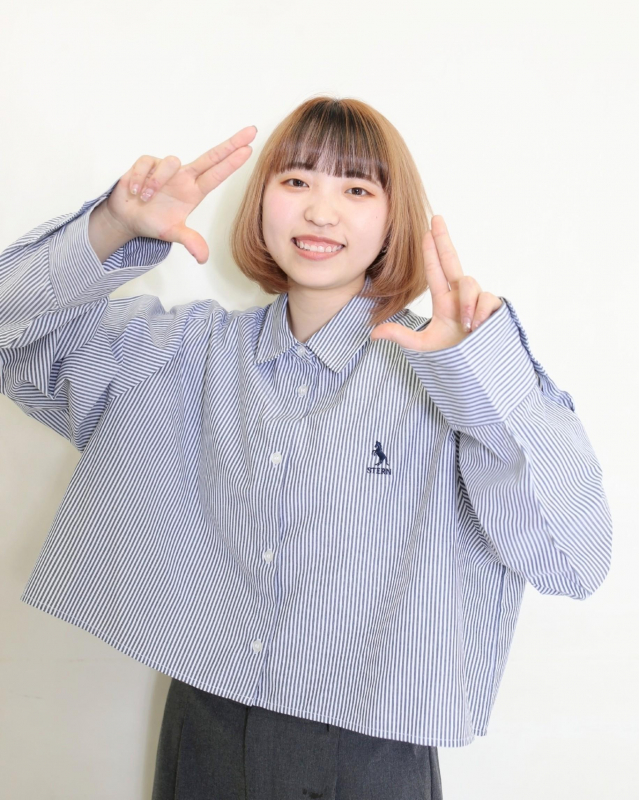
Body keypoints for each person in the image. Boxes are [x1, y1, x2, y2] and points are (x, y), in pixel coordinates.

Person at [0, 96, 612, 799]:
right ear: (261, 202)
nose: (321, 212)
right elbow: (11, 337)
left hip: (370, 751)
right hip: (204, 729)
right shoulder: (184, 354)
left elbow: (573, 560)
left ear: (393, 218)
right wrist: (111, 227)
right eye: (296, 181)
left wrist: (481, 376)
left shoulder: (449, 377)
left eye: (356, 189)